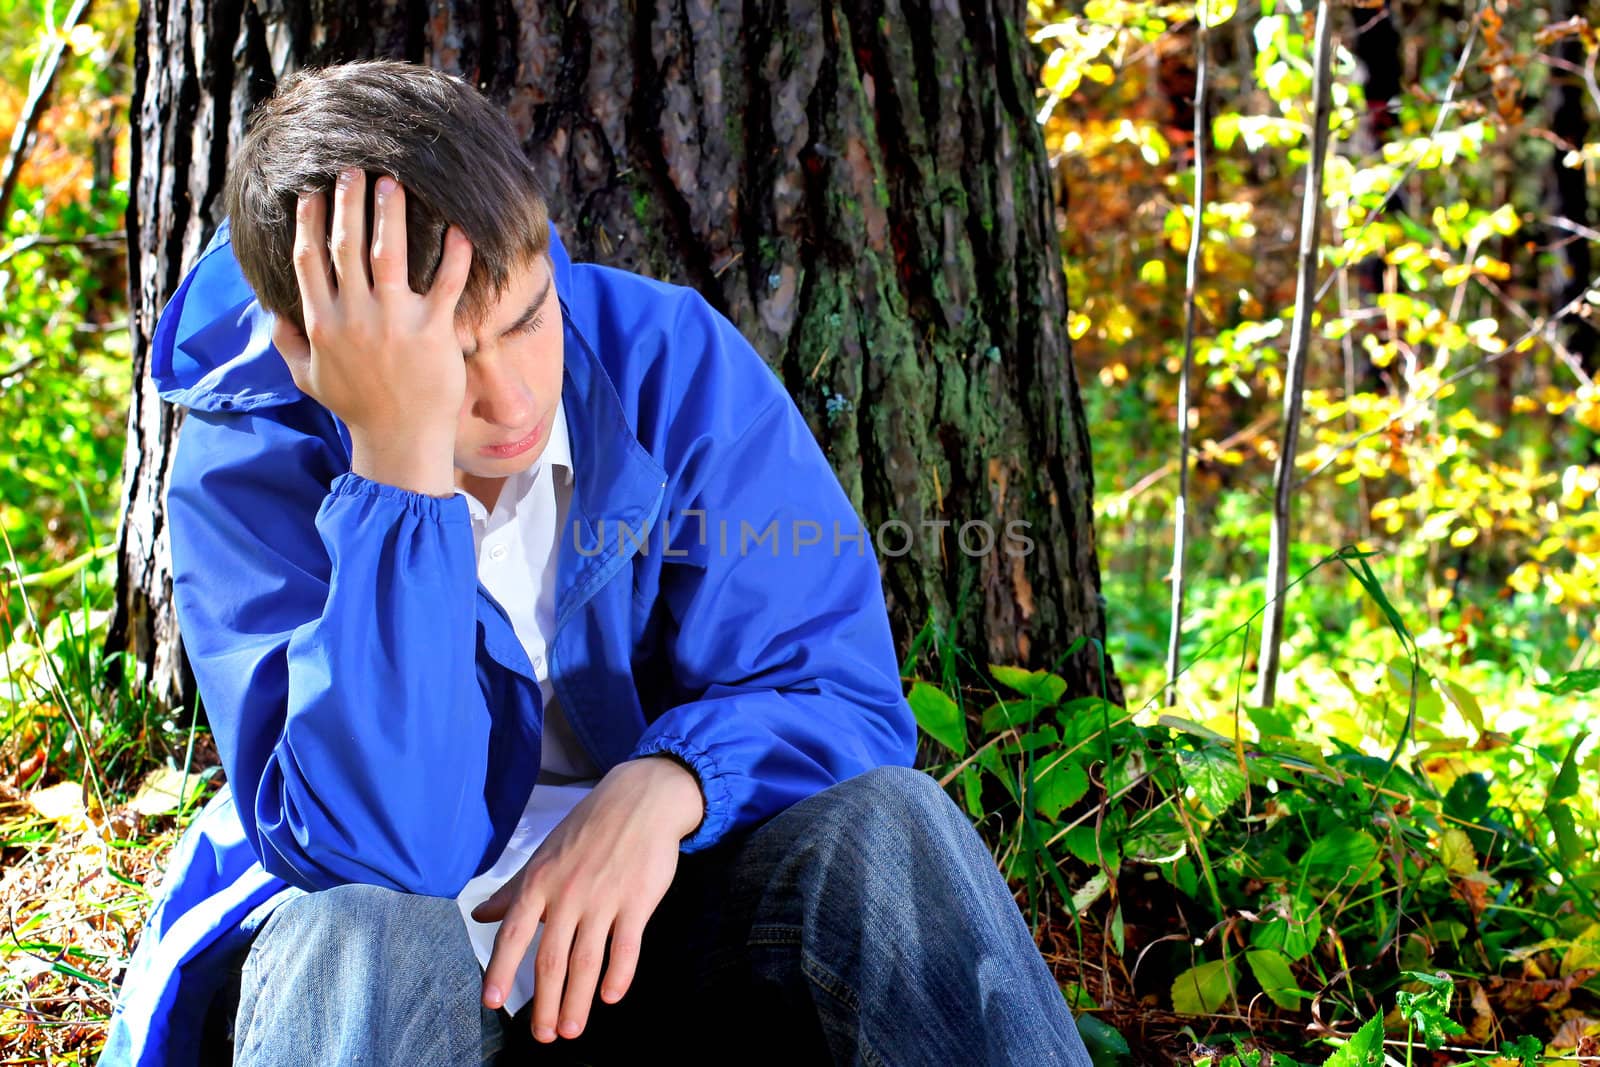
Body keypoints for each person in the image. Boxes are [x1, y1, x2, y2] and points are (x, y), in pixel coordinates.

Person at [100, 59, 1093, 1067]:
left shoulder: (665, 361)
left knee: (894, 828)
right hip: (407, 987)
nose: (515, 400)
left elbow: (838, 688)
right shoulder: (251, 472)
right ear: (318, 351)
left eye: (529, 319)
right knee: (364, 923)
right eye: (447, 362)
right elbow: (380, 849)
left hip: (666, 937)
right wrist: (397, 480)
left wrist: (670, 781)